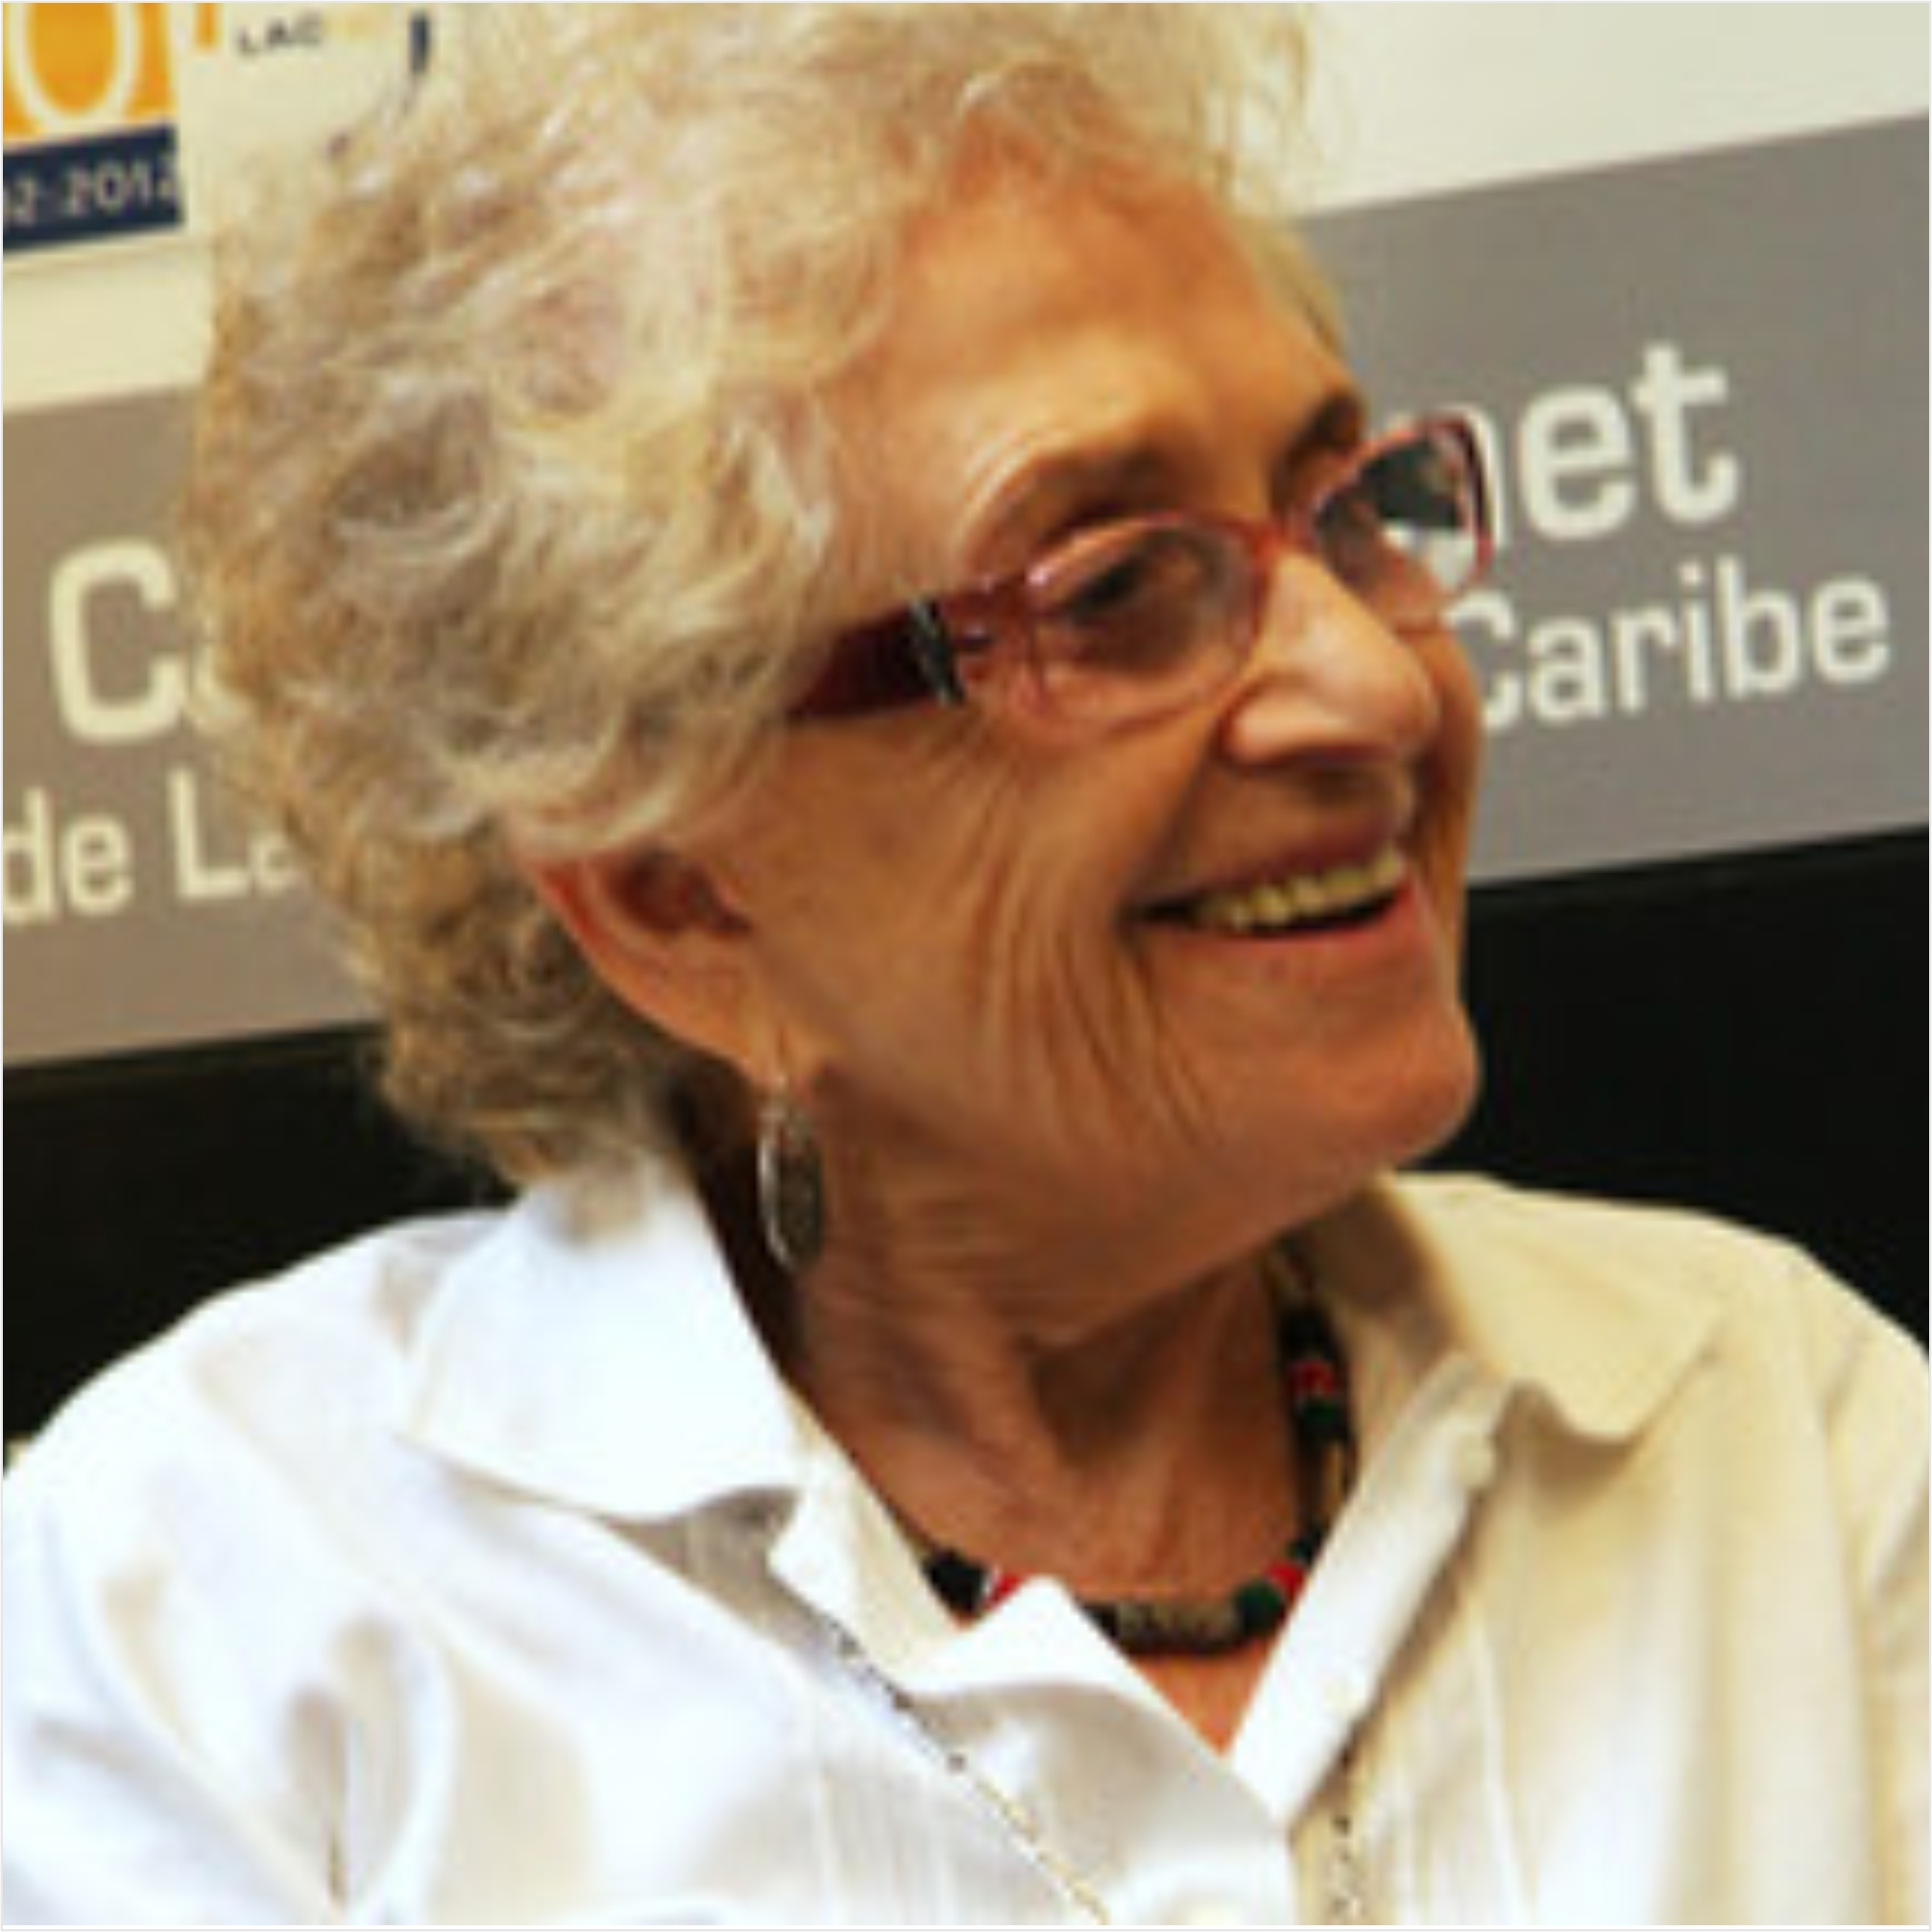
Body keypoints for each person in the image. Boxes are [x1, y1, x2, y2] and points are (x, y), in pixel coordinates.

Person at [4, 8, 1923, 1924]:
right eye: (1114, 591)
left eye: (1344, 514)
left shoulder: (1772, 1432)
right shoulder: (218, 1625)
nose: (1370, 683)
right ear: (674, 896)